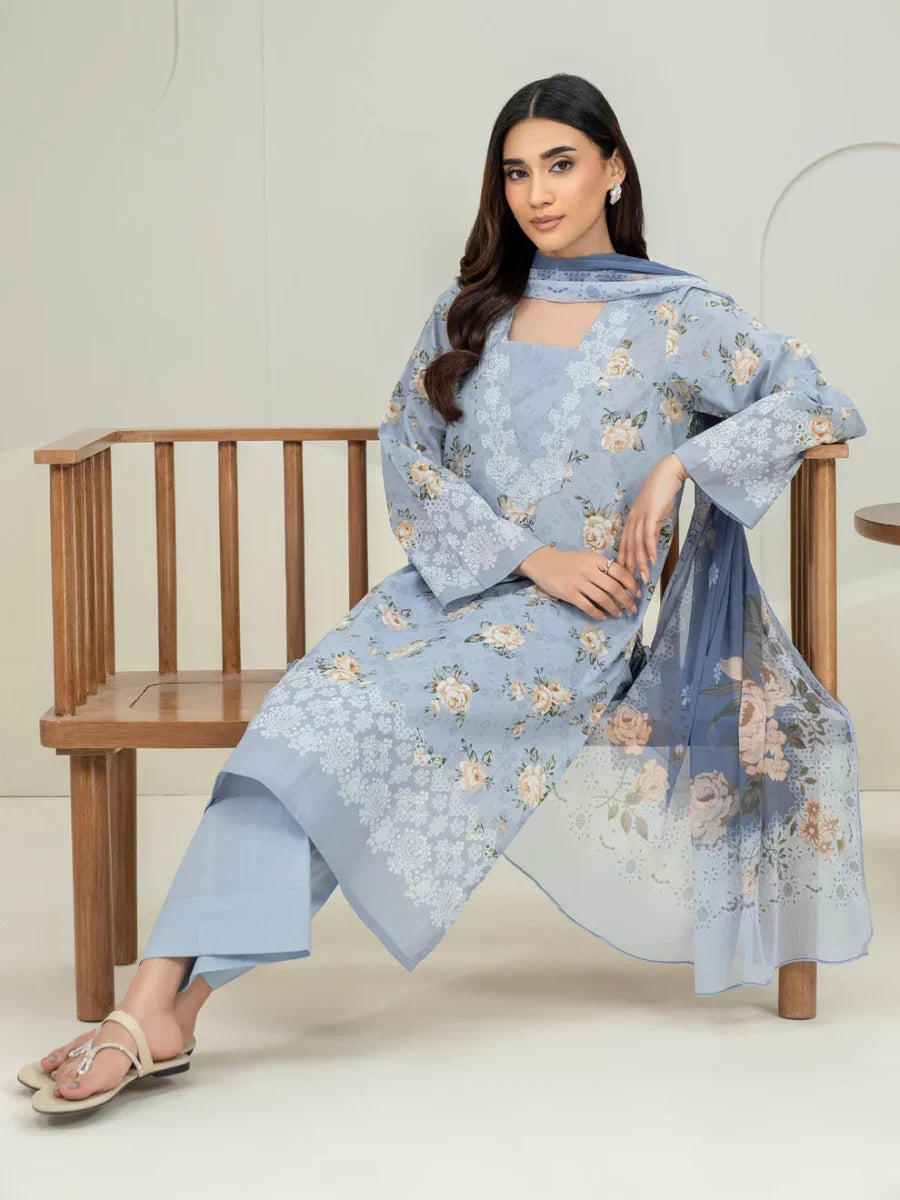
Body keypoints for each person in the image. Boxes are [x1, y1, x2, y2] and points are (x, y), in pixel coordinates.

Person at [32, 71, 873, 1109]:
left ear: (614, 169)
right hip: (442, 599)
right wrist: (529, 556)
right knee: (306, 716)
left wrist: (682, 466)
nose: (537, 192)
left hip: (574, 631)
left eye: (561, 165)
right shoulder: (470, 310)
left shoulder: (681, 316)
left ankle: (164, 1009)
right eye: (517, 172)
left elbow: (816, 399)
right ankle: (160, 998)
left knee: (357, 727)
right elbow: (410, 454)